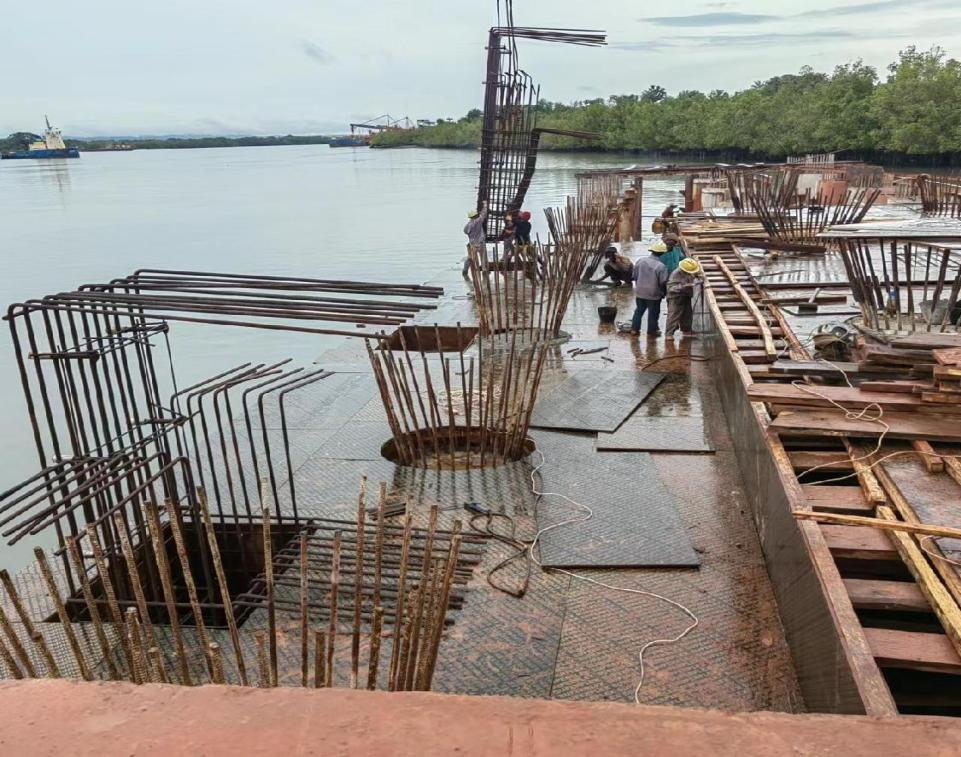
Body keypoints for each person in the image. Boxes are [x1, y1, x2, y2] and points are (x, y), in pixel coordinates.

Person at [630, 241, 668, 337]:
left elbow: (634, 276)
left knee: (639, 311)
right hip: (653, 294)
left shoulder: (640, 261)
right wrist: (663, 292)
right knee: (653, 313)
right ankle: (651, 331)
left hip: (640, 292)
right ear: (662, 253)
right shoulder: (661, 266)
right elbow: (663, 282)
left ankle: (634, 329)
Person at [665, 257, 702, 337]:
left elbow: (695, 275)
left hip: (686, 295)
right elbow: (670, 289)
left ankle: (686, 330)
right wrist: (683, 286)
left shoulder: (689, 272)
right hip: (675, 297)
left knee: (687, 314)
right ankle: (669, 334)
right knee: (673, 316)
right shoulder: (675, 274)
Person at [462, 201, 489, 277]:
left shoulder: (468, 225)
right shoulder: (479, 221)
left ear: (470, 217)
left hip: (473, 244)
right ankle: (483, 269)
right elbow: (484, 214)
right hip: (480, 242)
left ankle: (465, 270)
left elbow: (465, 231)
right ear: (475, 216)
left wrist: (471, 235)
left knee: (470, 257)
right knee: (483, 255)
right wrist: (485, 205)